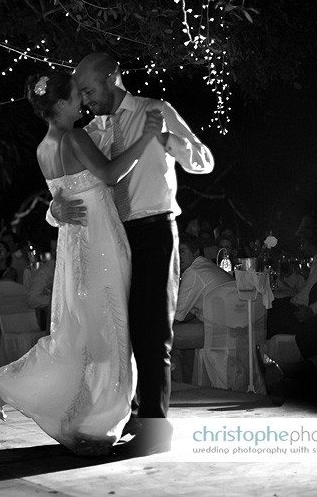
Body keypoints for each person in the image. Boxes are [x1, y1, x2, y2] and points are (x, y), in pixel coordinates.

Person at [0, 69, 166, 455]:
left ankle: (78, 413)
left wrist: (54, 208)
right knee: (107, 327)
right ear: (63, 104)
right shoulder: (73, 135)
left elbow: (64, 191)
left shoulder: (43, 147)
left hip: (73, 246)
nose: (83, 100)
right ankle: (97, 421)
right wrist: (148, 137)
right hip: (100, 241)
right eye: (77, 95)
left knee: (80, 327)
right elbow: (112, 174)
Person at [43, 52, 214, 456]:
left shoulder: (157, 110)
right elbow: (69, 186)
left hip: (154, 229)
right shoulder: (87, 131)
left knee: (153, 331)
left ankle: (155, 430)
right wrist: (53, 212)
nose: (84, 100)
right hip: (109, 240)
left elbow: (203, 161)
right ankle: (126, 417)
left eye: (89, 89)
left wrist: (166, 141)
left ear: (112, 78)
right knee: (117, 332)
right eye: (80, 93)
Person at [267, 213, 317, 337]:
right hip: (293, 305)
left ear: (309, 240)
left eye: (302, 239)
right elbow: (307, 288)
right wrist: (292, 275)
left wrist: (312, 310)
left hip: (297, 313)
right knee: (263, 304)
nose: (301, 244)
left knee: (264, 314)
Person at [174, 234, 233, 324]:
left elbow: (176, 318)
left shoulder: (193, 272)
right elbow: (191, 312)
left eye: (182, 251)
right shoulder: (206, 265)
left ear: (196, 252)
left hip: (220, 328)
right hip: (232, 323)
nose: (177, 256)